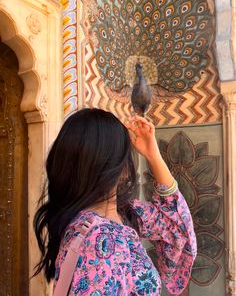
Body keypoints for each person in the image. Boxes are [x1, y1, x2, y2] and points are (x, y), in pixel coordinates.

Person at [34, 108, 197, 295]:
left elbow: (176, 226)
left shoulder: (121, 215)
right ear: (122, 168)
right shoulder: (103, 240)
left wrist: (154, 156)